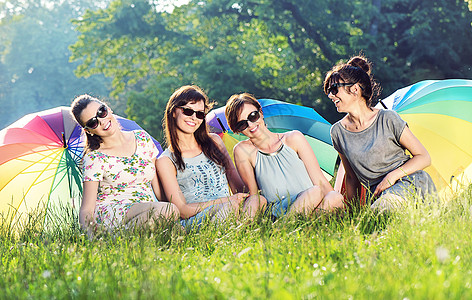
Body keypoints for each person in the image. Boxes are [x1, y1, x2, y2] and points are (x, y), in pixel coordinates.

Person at [324, 55, 436, 211]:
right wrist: (352, 214)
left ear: (355, 89)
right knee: (375, 218)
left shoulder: (388, 118)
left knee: (382, 210)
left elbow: (424, 157)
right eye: (328, 90)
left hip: (410, 183)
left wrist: (392, 177)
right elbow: (351, 178)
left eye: (334, 89)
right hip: (379, 196)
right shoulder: (338, 132)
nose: (330, 95)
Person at [156, 85, 263, 229]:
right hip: (198, 218)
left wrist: (256, 173)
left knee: (258, 200)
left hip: (230, 207)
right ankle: (241, 230)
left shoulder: (214, 141)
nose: (194, 118)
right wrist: (225, 201)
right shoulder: (166, 161)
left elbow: (238, 186)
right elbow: (182, 210)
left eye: (200, 114)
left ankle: (241, 230)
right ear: (174, 111)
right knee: (228, 208)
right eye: (188, 111)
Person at [71, 94, 179, 234]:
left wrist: (174, 213)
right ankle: (114, 239)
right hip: (114, 212)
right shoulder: (94, 158)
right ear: (89, 131)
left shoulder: (142, 139)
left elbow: (158, 190)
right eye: (93, 122)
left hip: (146, 209)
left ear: (108, 109)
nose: (102, 121)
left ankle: (121, 238)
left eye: (101, 112)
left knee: (174, 225)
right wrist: (92, 234)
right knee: (168, 211)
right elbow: (87, 208)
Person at [225, 93, 345, 218]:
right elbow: (254, 195)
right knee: (315, 191)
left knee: (335, 197)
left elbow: (320, 181)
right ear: (237, 130)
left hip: (312, 201)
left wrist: (335, 203)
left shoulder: (293, 138)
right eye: (242, 124)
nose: (250, 125)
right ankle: (284, 226)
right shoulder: (243, 150)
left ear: (260, 112)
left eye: (253, 116)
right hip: (278, 210)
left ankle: (298, 225)